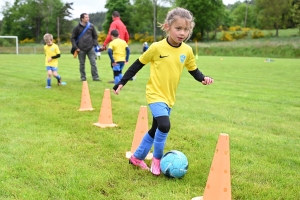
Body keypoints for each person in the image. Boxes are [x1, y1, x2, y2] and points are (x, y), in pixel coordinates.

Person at [112, 7, 214, 176]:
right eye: (178, 28)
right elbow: (138, 63)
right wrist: (122, 81)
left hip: (169, 97)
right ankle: (157, 160)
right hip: (155, 94)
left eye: (186, 29)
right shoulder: (156, 47)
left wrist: (203, 78)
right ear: (167, 27)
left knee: (155, 129)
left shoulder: (187, 51)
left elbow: (193, 70)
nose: (182, 33)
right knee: (164, 126)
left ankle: (136, 158)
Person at [100, 11, 130, 83]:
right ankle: (120, 80)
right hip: (122, 46)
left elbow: (110, 35)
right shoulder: (123, 24)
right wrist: (124, 43)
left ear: (113, 17)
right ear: (119, 17)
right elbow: (127, 35)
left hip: (115, 46)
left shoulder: (114, 23)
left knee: (114, 64)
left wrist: (104, 44)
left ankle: (116, 80)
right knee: (120, 64)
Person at [71, 13, 100, 81]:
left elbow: (95, 36)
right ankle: (83, 78)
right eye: (86, 17)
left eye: (88, 17)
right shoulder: (77, 28)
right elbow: (72, 38)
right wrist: (76, 47)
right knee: (82, 64)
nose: (88, 18)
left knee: (93, 63)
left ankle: (95, 77)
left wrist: (94, 43)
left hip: (90, 48)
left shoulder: (91, 26)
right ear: (82, 19)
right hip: (80, 49)